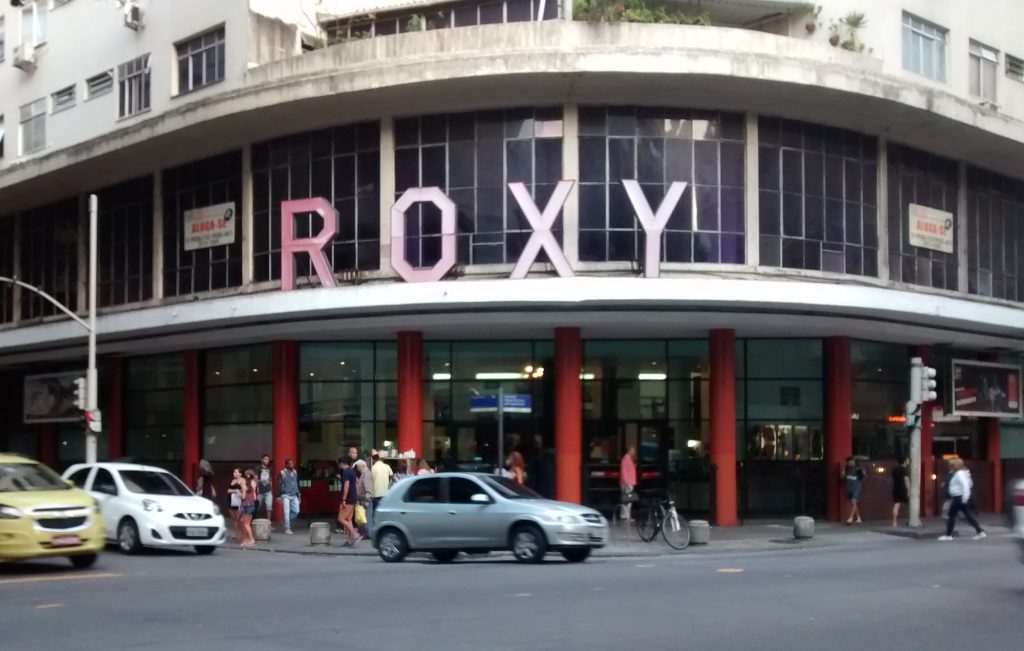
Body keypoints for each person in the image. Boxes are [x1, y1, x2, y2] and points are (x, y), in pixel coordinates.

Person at [939, 458, 987, 541]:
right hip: (959, 497)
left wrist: (964, 498)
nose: (950, 467)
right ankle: (980, 532)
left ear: (956, 465)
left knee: (952, 515)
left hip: (958, 497)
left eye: (952, 465)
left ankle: (948, 535)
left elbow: (965, 485)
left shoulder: (959, 474)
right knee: (967, 516)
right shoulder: (959, 473)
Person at [336, 458, 361, 546]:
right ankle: (351, 540)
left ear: (342, 463)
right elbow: (356, 483)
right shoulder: (352, 471)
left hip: (348, 499)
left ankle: (355, 534)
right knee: (348, 519)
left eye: (339, 464)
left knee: (341, 518)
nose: (339, 466)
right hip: (353, 498)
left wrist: (343, 499)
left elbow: (346, 486)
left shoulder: (346, 472)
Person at [278, 458, 301, 535]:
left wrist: (298, 495)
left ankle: (285, 521)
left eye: (292, 464)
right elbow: (279, 484)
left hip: (294, 494)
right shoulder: (282, 473)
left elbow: (296, 483)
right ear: (286, 465)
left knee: (296, 511)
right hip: (285, 495)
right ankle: (287, 528)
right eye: (290, 464)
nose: (292, 465)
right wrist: (278, 495)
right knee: (286, 512)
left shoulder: (295, 472)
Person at [370, 453, 393, 523]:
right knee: (385, 510)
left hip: (376, 493)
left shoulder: (373, 468)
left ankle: (376, 524)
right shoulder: (387, 466)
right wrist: (388, 482)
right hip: (386, 492)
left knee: (376, 511)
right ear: (380, 459)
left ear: (373, 460)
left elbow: (371, 479)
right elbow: (392, 475)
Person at [239, 469, 258, 546]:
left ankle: (251, 539)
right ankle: (246, 539)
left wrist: (240, 493)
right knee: (248, 523)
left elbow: (243, 497)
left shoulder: (244, 486)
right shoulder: (253, 484)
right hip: (252, 504)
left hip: (246, 505)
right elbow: (255, 497)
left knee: (245, 523)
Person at [844, 456, 865, 525]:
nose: (851, 463)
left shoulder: (858, 468)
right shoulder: (846, 468)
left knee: (853, 501)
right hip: (849, 487)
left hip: (856, 487)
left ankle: (851, 518)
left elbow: (862, 477)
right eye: (849, 462)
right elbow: (844, 476)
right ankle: (859, 518)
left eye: (852, 462)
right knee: (854, 503)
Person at [619, 446, 637, 523]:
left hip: (628, 482)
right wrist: (626, 482)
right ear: (629, 451)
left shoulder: (628, 459)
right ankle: (626, 516)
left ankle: (624, 515)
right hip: (627, 483)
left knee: (626, 500)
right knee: (628, 500)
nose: (634, 452)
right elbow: (624, 471)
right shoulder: (626, 459)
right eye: (633, 450)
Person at [354, 459, 372, 537]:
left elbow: (368, 488)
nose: (358, 469)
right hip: (363, 498)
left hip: (365, 499)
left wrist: (367, 499)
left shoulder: (366, 474)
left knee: (366, 516)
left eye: (358, 467)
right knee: (363, 516)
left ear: (362, 466)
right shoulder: (364, 474)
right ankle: (364, 531)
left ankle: (367, 532)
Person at [891, 457, 909, 528]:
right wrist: (908, 489)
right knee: (910, 504)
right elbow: (906, 479)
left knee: (896, 505)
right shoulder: (904, 470)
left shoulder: (894, 469)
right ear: (904, 461)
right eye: (907, 460)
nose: (908, 461)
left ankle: (894, 522)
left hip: (895, 489)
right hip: (903, 489)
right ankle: (911, 520)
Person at [227, 468, 244, 542]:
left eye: (236, 472)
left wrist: (236, 491)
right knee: (234, 519)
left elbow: (244, 490)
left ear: (240, 474)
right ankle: (236, 534)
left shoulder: (242, 480)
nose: (234, 473)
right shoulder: (233, 481)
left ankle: (242, 534)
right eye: (234, 472)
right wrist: (234, 490)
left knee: (239, 518)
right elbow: (228, 490)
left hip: (238, 500)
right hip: (231, 500)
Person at [256, 454, 273, 523]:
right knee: (257, 506)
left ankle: (269, 523)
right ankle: (254, 521)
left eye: (268, 459)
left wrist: (271, 490)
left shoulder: (269, 469)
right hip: (260, 491)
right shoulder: (258, 468)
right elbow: (255, 479)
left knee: (269, 507)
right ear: (262, 460)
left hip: (268, 491)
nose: (267, 461)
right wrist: (257, 487)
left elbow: (270, 480)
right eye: (265, 459)